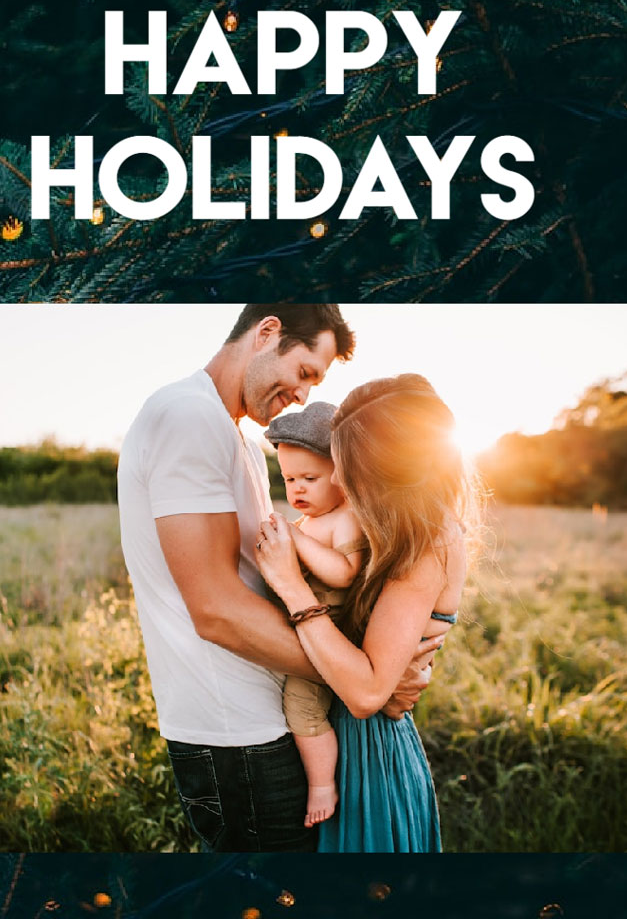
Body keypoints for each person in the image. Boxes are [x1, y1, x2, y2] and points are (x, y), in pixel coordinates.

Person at [117, 307, 439, 852]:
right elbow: (215, 610)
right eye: (306, 372)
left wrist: (372, 672)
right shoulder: (187, 417)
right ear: (267, 333)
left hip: (270, 721)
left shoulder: (237, 436)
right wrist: (365, 680)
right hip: (238, 736)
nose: (304, 394)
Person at [255, 374, 476, 852]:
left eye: (349, 467)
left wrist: (293, 588)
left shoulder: (427, 542)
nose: (339, 480)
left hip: (370, 756)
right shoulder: (392, 531)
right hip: (347, 742)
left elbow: (367, 691)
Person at [264, 401, 365, 828]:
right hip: (304, 628)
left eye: (310, 478)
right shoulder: (311, 520)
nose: (298, 490)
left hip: (329, 637)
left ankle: (322, 784)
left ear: (342, 476)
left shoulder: (346, 519)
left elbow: (344, 573)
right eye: (289, 479)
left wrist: (296, 540)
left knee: (301, 707)